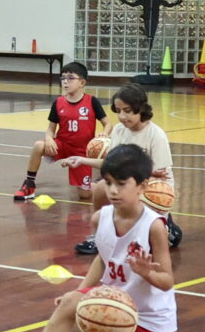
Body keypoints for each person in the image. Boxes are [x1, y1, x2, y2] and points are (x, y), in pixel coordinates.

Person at [0, 143, 205, 332]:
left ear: (142, 186)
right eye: (109, 182)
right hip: (115, 297)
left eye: (121, 184)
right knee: (69, 302)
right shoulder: (100, 218)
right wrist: (80, 290)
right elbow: (104, 259)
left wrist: (146, 273)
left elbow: (168, 281)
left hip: (151, 313)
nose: (113, 190)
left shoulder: (154, 227)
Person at [77, 82, 182, 256]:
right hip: (128, 181)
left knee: (140, 245)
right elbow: (113, 164)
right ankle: (100, 236)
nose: (122, 116)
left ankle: (166, 225)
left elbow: (159, 174)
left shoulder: (156, 135)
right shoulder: (118, 131)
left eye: (127, 110)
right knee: (102, 187)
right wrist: (82, 160)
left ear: (140, 108)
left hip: (152, 186)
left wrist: (134, 174)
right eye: (118, 111)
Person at [15, 61, 103, 203]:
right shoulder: (58, 102)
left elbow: (108, 123)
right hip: (62, 145)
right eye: (63, 78)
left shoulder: (92, 101)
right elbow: (51, 129)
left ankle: (100, 183)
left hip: (81, 151)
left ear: (82, 82)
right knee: (39, 145)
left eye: (70, 78)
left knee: (84, 195)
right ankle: (29, 184)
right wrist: (49, 138)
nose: (65, 82)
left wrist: (103, 133)